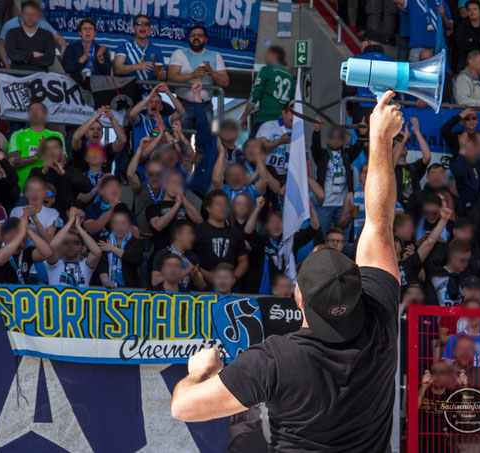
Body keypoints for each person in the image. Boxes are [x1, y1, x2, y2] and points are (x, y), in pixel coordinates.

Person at [171, 91, 403, 452]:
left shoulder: (275, 360)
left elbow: (183, 407)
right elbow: (379, 222)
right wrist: (382, 140)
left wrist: (199, 371)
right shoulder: (381, 316)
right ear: (360, 289)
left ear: (299, 296)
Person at [167, 25, 228, 134]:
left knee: (205, 142)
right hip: (183, 105)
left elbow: (225, 82)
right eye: (193, 35)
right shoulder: (179, 53)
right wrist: (192, 75)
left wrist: (212, 72)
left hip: (206, 106)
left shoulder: (215, 55)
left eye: (200, 35)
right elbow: (171, 77)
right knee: (181, 140)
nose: (196, 38)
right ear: (189, 38)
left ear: (205, 39)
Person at [311, 121, 366, 237]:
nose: (335, 140)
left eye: (339, 137)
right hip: (325, 203)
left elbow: (358, 147)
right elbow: (314, 148)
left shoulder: (346, 155)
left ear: (343, 141)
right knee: (321, 235)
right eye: (332, 137)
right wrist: (317, 131)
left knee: (343, 237)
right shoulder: (322, 155)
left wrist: (362, 134)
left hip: (343, 204)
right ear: (327, 140)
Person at [192, 190, 248, 286]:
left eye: (225, 204)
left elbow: (244, 261)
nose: (223, 207)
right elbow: (188, 257)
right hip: (202, 287)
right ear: (208, 208)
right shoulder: (197, 231)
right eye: (218, 204)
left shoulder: (235, 233)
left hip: (229, 289)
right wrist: (203, 274)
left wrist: (233, 278)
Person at [27, 137, 91, 220]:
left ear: (62, 151)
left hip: (67, 219)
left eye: (55, 148)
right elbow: (28, 192)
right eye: (48, 149)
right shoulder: (37, 171)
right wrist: (43, 171)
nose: (52, 152)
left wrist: (64, 173)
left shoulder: (72, 171)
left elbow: (87, 187)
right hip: (41, 219)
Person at [8, 102, 66, 191]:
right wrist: (37, 156)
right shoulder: (18, 135)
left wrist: (48, 151)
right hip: (23, 191)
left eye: (39, 110)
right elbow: (12, 162)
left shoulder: (57, 135)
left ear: (46, 115)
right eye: (32, 110)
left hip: (51, 191)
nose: (35, 112)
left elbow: (64, 161)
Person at [239, 46, 294, 137]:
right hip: (282, 123)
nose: (265, 56)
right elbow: (293, 104)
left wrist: (244, 116)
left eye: (268, 54)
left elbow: (255, 95)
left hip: (265, 118)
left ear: (275, 56)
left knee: (251, 149)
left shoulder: (266, 70)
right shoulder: (290, 77)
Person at [0, 1, 67, 69]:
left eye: (34, 14)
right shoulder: (10, 27)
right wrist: (6, 65)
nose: (30, 17)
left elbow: (49, 60)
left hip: (40, 74)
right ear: (22, 14)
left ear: (38, 15)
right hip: (16, 71)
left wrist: (23, 59)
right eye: (27, 13)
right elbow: (3, 47)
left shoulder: (45, 28)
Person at [145, 170, 202, 253]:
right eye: (172, 182)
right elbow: (158, 226)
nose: (175, 185)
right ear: (164, 185)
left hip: (186, 256)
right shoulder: (154, 207)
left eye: (178, 183)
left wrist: (183, 199)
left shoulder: (187, 206)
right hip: (164, 254)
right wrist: (177, 205)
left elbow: (199, 221)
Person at [0, 213, 52, 284]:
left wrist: (28, 230)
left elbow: (47, 253)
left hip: (20, 294)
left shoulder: (27, 251)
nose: (24, 237)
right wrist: (21, 234)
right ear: (7, 236)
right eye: (20, 233)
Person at [46, 209, 100, 287]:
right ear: (60, 245)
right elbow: (52, 247)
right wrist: (70, 222)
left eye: (75, 242)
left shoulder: (85, 266)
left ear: (80, 245)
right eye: (66, 242)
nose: (70, 245)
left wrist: (78, 227)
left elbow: (97, 252)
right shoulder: (55, 264)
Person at [70, 105, 127, 176]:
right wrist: (95, 117)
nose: (95, 131)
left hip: (103, 185)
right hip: (83, 186)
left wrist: (112, 119)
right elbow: (76, 137)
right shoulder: (81, 148)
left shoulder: (106, 149)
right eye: (92, 129)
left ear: (102, 134)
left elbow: (122, 140)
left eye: (98, 129)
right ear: (86, 134)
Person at [129, 82, 184, 152]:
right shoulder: (140, 119)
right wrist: (149, 96)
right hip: (140, 160)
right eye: (151, 102)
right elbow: (132, 114)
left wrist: (169, 93)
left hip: (159, 161)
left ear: (161, 107)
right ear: (146, 106)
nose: (153, 104)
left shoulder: (165, 120)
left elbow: (181, 112)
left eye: (157, 102)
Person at [150, 221, 206, 290]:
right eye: (190, 233)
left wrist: (195, 276)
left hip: (185, 298)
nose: (193, 237)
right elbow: (155, 281)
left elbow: (202, 285)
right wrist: (184, 273)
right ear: (178, 235)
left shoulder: (192, 257)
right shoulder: (162, 254)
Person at [96, 209, 144, 288]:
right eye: (116, 223)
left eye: (123, 223)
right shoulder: (104, 241)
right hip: (107, 288)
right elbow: (102, 266)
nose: (119, 227)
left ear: (129, 225)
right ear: (111, 225)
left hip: (129, 288)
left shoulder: (136, 242)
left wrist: (112, 248)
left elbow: (136, 260)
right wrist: (106, 282)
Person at [212, 137, 268, 203]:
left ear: (245, 177)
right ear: (226, 178)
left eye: (239, 174)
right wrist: (222, 153)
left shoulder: (252, 190)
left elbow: (264, 180)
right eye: (232, 174)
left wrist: (257, 155)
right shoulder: (224, 191)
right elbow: (216, 180)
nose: (236, 176)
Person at [112, 14, 165, 82]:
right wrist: (138, 66)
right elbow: (117, 69)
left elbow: (163, 76)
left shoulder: (156, 50)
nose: (143, 26)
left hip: (150, 90)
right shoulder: (124, 46)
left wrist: (162, 75)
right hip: (128, 90)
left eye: (146, 24)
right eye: (139, 23)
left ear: (149, 29)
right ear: (134, 28)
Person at [393, 117, 432, 207]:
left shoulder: (413, 167)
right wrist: (403, 139)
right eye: (398, 144)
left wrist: (417, 131)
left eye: (405, 145)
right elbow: (393, 162)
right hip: (397, 208)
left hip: (415, 208)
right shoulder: (391, 167)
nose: (403, 145)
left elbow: (427, 157)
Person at [61, 18, 110, 86]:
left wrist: (100, 59)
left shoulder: (100, 50)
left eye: (90, 29)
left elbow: (107, 73)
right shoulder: (71, 48)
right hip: (76, 84)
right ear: (80, 33)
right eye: (85, 29)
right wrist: (83, 58)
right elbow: (67, 69)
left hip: (97, 85)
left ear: (95, 33)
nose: (88, 31)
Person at [9, 176, 60, 240]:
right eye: (31, 190)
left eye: (38, 190)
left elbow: (49, 241)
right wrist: (25, 217)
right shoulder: (16, 211)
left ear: (43, 194)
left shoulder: (52, 213)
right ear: (26, 194)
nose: (35, 193)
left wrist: (35, 219)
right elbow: (12, 238)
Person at [454, 0, 480, 72]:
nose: (472, 12)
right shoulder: (461, 27)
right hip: (466, 65)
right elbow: (462, 46)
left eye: (475, 9)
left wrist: (473, 40)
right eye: (469, 10)